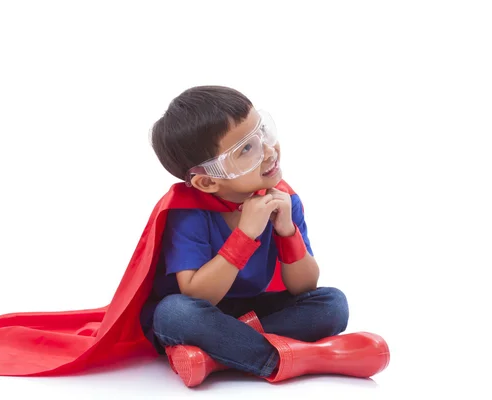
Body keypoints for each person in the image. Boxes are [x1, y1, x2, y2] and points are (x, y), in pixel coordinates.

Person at [140, 85, 389, 387]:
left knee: (333, 304)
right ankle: (301, 358)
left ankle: (214, 358)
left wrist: (287, 231)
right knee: (174, 312)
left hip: (253, 309)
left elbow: (305, 286)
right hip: (202, 313)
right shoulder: (190, 213)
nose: (269, 151)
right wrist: (246, 234)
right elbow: (197, 295)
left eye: (263, 131)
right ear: (207, 182)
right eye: (246, 149)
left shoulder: (282, 200)